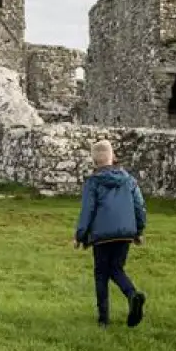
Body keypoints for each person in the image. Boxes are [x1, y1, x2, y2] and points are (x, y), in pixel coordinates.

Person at [74, 140, 147, 329]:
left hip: (102, 235)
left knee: (101, 274)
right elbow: (139, 206)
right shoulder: (129, 180)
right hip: (124, 233)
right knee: (116, 268)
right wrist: (138, 230)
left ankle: (103, 318)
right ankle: (132, 295)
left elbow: (87, 211)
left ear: (94, 161)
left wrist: (80, 235)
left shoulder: (93, 182)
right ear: (112, 157)